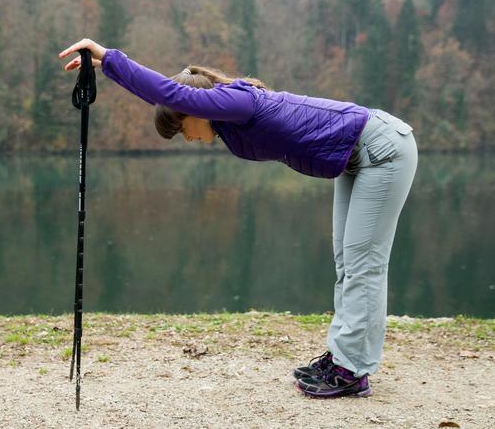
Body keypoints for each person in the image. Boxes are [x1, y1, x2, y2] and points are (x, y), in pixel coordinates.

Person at [59, 38, 418, 399]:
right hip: (355, 157)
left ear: (194, 110)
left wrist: (108, 58)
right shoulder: (229, 118)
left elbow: (169, 93)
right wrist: (105, 70)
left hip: (382, 151)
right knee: (348, 263)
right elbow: (166, 97)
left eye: (183, 129)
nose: (188, 139)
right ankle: (343, 358)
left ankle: (352, 371)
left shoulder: (237, 102)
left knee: (363, 265)